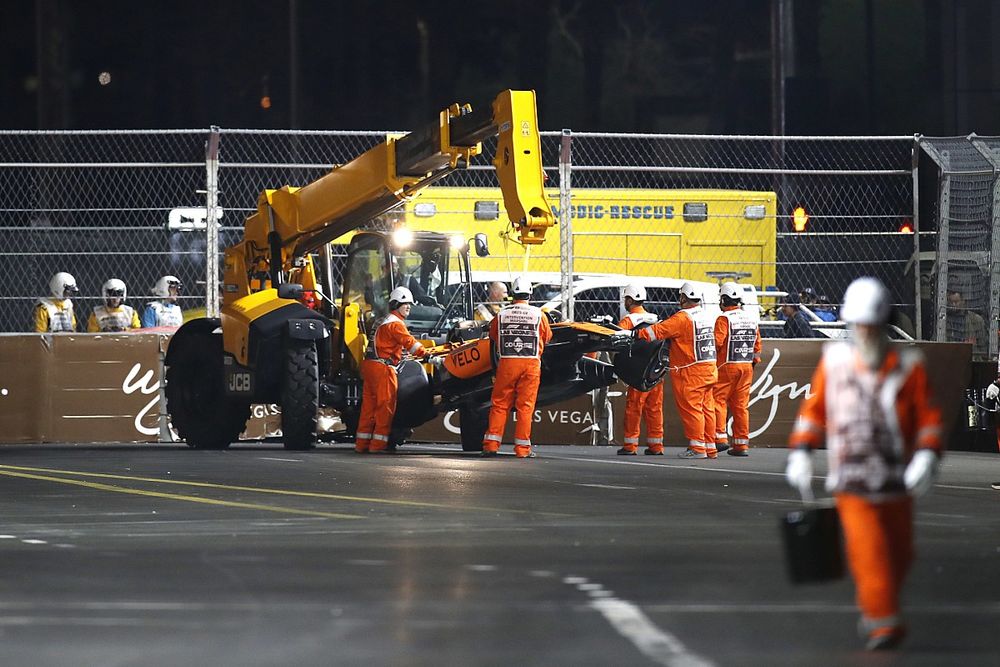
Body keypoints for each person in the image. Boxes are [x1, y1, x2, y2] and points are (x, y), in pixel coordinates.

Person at [785, 277, 943, 651]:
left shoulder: (908, 365)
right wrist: (802, 451)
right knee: (869, 551)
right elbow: (814, 411)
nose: (865, 332)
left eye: (871, 325)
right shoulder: (835, 362)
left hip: (895, 478)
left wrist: (927, 454)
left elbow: (928, 417)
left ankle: (882, 608)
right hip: (852, 480)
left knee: (901, 554)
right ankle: (882, 620)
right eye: (859, 325)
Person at [637, 281, 718, 458]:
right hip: (709, 368)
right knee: (707, 408)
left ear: (683, 297)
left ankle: (697, 448)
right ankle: (710, 447)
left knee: (693, 410)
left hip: (691, 372)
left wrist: (636, 334)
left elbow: (657, 331)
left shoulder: (682, 318)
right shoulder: (707, 315)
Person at [355, 286, 439, 453]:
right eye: (404, 304)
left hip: (370, 366)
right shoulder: (395, 324)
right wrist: (429, 356)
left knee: (368, 408)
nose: (408, 307)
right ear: (395, 304)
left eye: (409, 304)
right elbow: (410, 343)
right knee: (385, 408)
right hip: (383, 369)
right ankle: (377, 446)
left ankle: (361, 444)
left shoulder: (382, 320)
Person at [482, 276, 553, 458]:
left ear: (512, 294)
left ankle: (491, 445)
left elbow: (493, 335)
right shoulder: (539, 315)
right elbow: (547, 337)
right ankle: (522, 449)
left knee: (499, 404)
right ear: (530, 294)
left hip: (507, 363)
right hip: (531, 364)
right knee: (525, 406)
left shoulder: (502, 314)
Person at [713, 282, 762, 457]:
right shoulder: (751, 318)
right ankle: (741, 445)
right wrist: (752, 362)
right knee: (741, 406)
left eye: (721, 299)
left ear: (725, 299)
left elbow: (717, 342)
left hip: (727, 366)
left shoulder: (724, 319)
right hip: (747, 367)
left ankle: (719, 439)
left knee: (718, 400)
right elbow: (757, 346)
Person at [616, 283, 664, 456]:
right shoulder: (655, 318)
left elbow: (617, 340)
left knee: (634, 407)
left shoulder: (628, 320)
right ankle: (656, 446)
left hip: (637, 371)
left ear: (630, 300)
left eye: (625, 299)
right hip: (656, 371)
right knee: (655, 408)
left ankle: (630, 445)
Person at [946, 289, 987, 356]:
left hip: (970, 358)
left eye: (956, 302)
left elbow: (982, 346)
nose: (953, 305)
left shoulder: (976, 320)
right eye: (951, 302)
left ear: (963, 301)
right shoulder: (944, 320)